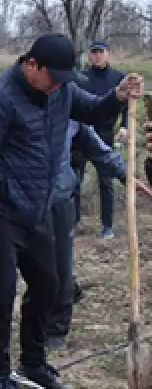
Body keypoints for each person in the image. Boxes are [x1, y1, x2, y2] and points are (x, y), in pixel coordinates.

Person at [0, 33, 141, 389]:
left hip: (38, 210)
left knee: (49, 284)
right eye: (54, 77)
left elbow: (94, 112)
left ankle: (32, 363)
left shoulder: (61, 90)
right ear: (32, 65)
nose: (59, 85)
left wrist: (117, 96)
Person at [42, 123, 143, 348]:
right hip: (16, 202)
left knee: (61, 268)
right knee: (32, 268)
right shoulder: (7, 101)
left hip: (59, 199)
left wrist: (125, 176)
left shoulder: (69, 108)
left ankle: (56, 330)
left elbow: (97, 148)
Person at [74, 41, 127, 239]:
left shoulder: (118, 78)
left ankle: (107, 226)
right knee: (75, 181)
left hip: (105, 135)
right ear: (89, 56)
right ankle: (75, 221)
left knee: (106, 181)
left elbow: (128, 106)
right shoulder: (81, 78)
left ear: (108, 54)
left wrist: (124, 126)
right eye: (93, 53)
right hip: (81, 136)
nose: (96, 56)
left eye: (100, 52)